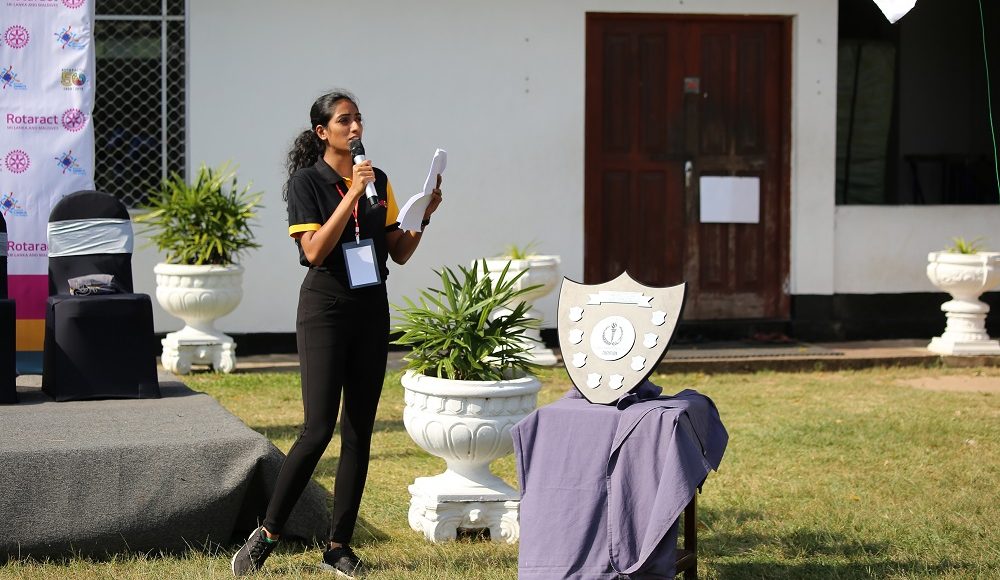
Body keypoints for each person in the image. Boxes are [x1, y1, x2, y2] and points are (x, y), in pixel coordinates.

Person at [231, 89, 442, 577]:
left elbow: (398, 251)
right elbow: (313, 252)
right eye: (344, 120)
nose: (355, 127)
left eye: (358, 119)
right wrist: (350, 193)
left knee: (359, 431)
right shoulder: (306, 182)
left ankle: (338, 545)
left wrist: (424, 215)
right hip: (325, 309)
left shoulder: (379, 179)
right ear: (322, 132)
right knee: (317, 429)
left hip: (371, 308)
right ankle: (268, 533)